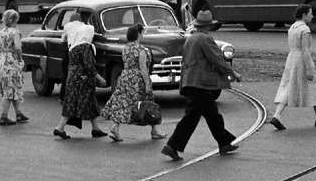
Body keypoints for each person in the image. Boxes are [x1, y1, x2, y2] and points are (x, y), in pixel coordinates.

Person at [161, 9, 243, 161]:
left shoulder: (191, 38)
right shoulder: (206, 39)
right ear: (208, 26)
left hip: (192, 82)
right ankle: (171, 146)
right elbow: (217, 59)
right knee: (191, 118)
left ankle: (224, 142)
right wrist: (233, 73)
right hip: (202, 84)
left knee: (213, 115)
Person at [268, 4, 316, 130]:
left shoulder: (293, 27)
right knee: (313, 85)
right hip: (301, 60)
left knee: (288, 86)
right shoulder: (305, 29)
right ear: (304, 15)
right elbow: (305, 50)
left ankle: (277, 115)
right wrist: (309, 69)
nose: (312, 16)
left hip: (291, 59)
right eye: (310, 14)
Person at [104, 24, 167, 142]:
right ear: (138, 34)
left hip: (125, 76)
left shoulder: (125, 48)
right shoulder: (141, 50)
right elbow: (143, 67)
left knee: (123, 102)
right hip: (137, 79)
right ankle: (154, 130)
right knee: (147, 102)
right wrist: (147, 83)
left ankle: (115, 127)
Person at [53, 14, 107, 139]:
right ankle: (59, 127)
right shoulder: (85, 47)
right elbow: (89, 66)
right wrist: (100, 78)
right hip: (82, 79)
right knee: (75, 103)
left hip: (74, 77)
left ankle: (96, 128)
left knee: (89, 102)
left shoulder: (74, 47)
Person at [0, 9, 30, 126]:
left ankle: (18, 113)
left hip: (1, 60)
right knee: (11, 89)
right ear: (15, 20)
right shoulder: (15, 32)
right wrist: (20, 60)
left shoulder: (0, 32)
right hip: (11, 61)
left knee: (10, 87)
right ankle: (3, 116)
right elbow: (18, 47)